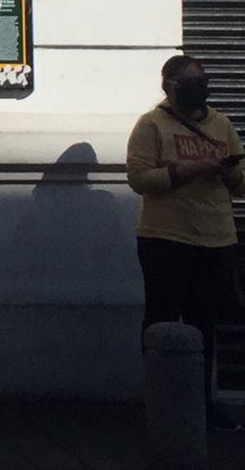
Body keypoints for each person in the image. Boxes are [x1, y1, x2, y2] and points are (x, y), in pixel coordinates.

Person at [126, 53, 245, 428]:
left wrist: (227, 173)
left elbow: (240, 180)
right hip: (166, 238)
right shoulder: (152, 125)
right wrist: (187, 171)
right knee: (161, 321)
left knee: (204, 326)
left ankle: (200, 407)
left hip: (215, 239)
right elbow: (140, 178)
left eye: (203, 80)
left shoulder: (222, 124)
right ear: (170, 87)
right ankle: (161, 406)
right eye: (192, 82)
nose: (202, 88)